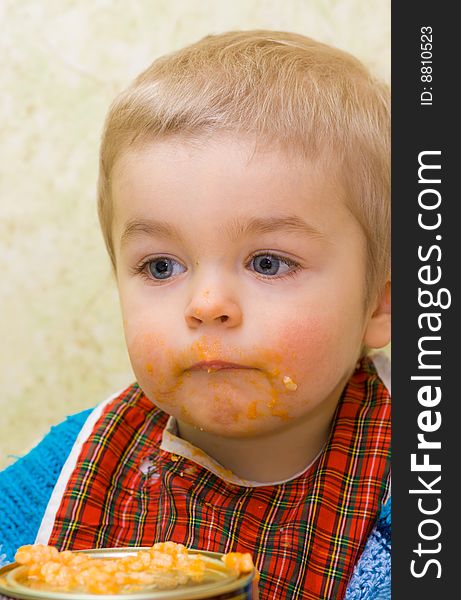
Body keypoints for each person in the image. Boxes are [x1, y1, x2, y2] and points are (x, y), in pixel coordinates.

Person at [0, 30, 391, 599]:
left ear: (379, 305)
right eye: (161, 267)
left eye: (268, 262)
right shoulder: (69, 468)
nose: (206, 305)